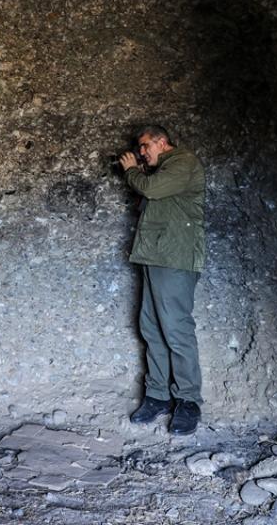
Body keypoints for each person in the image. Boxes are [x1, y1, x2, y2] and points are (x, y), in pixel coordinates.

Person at [117, 125, 206, 435]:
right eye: (139, 148)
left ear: (162, 141)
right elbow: (150, 200)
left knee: (176, 329)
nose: (141, 152)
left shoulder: (184, 161)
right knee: (152, 328)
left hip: (175, 259)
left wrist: (132, 172)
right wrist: (142, 173)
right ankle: (157, 395)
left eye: (145, 146)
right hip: (154, 257)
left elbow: (152, 190)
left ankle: (188, 401)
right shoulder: (161, 171)